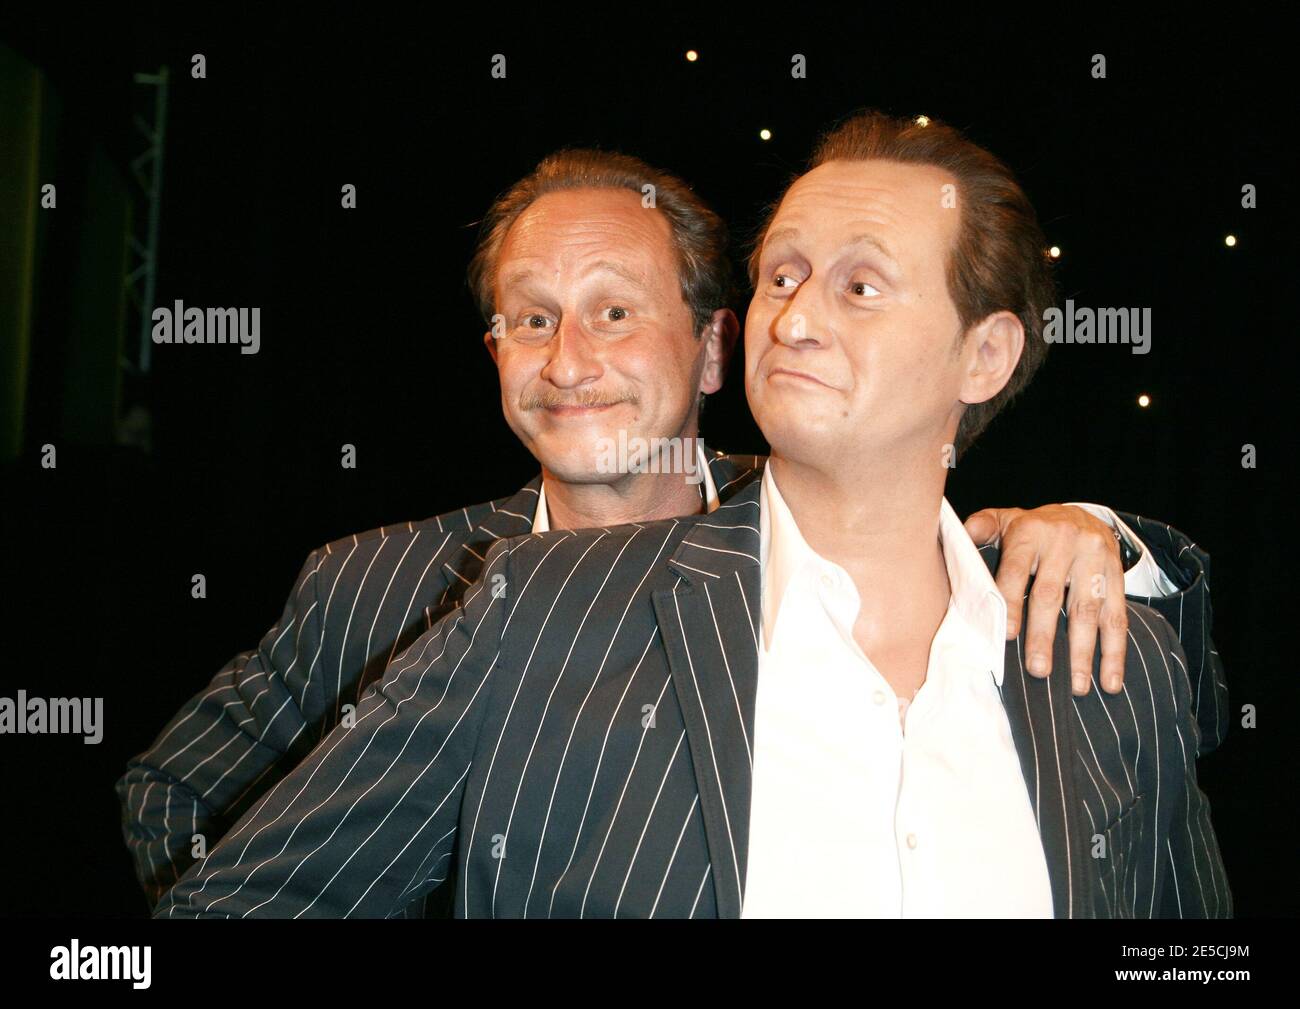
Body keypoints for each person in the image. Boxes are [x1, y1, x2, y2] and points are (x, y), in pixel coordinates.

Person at [137, 132, 1226, 917]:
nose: (567, 361)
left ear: (708, 348)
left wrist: (1102, 532)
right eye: (784, 277)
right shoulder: (478, 597)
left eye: (614, 311)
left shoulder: (1081, 637)